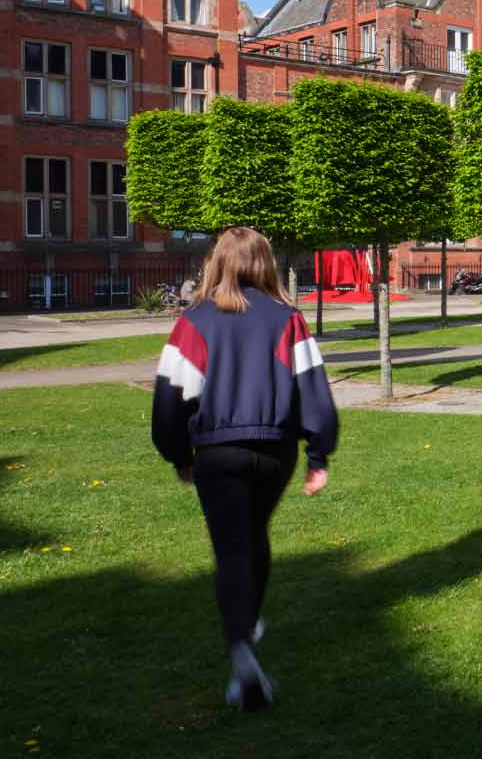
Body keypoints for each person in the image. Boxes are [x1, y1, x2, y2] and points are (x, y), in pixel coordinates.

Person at [152, 226, 338, 712]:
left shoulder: (196, 322)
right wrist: (318, 454)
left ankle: (241, 647)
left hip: (218, 452)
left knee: (232, 546)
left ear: (218, 262)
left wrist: (179, 456)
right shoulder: (288, 319)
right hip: (275, 451)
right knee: (254, 534)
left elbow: (171, 400)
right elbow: (313, 389)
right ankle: (249, 622)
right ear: (265, 263)